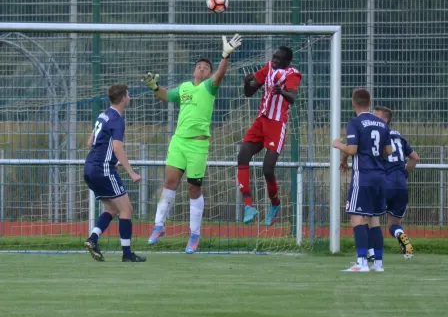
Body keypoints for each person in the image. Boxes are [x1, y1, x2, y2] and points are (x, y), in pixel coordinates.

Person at [143, 34, 242, 254]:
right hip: (178, 142)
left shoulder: (209, 86)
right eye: (199, 66)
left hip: (198, 145)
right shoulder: (185, 88)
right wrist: (153, 86)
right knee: (169, 183)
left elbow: (220, 74)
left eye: (206, 67)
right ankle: (159, 226)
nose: (202, 68)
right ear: (193, 70)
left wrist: (225, 55)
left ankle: (194, 234)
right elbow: (166, 95)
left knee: (193, 188)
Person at [237, 46, 302, 226]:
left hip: (276, 124)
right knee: (242, 155)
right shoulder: (268, 68)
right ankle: (249, 205)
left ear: (287, 61)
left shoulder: (292, 74)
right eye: (274, 57)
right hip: (261, 121)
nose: (274, 60)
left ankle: (275, 204)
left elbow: (293, 97)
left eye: (278, 58)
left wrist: (282, 92)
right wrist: (246, 82)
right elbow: (249, 93)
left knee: (267, 169)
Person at [83, 84, 146, 262]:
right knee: (127, 209)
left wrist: (111, 160)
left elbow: (90, 142)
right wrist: (132, 172)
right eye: (129, 94)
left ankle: (93, 239)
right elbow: (117, 147)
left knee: (112, 208)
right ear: (124, 98)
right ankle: (127, 254)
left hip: (90, 168)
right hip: (102, 169)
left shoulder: (103, 115)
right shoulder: (117, 119)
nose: (130, 97)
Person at [332, 88, 392, 272]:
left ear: (353, 103)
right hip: (380, 177)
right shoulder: (382, 123)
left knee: (357, 219)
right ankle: (378, 263)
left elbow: (352, 150)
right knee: (373, 219)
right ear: (370, 102)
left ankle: (361, 262)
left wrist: (338, 144)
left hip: (363, 177)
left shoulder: (355, 122)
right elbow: (388, 151)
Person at [373, 106, 420, 260]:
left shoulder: (378, 135)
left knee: (370, 218)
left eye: (375, 116)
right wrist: (404, 174)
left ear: (383, 119)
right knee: (394, 223)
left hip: (384, 183)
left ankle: (372, 254)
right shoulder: (398, 135)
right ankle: (401, 236)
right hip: (401, 184)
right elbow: (415, 158)